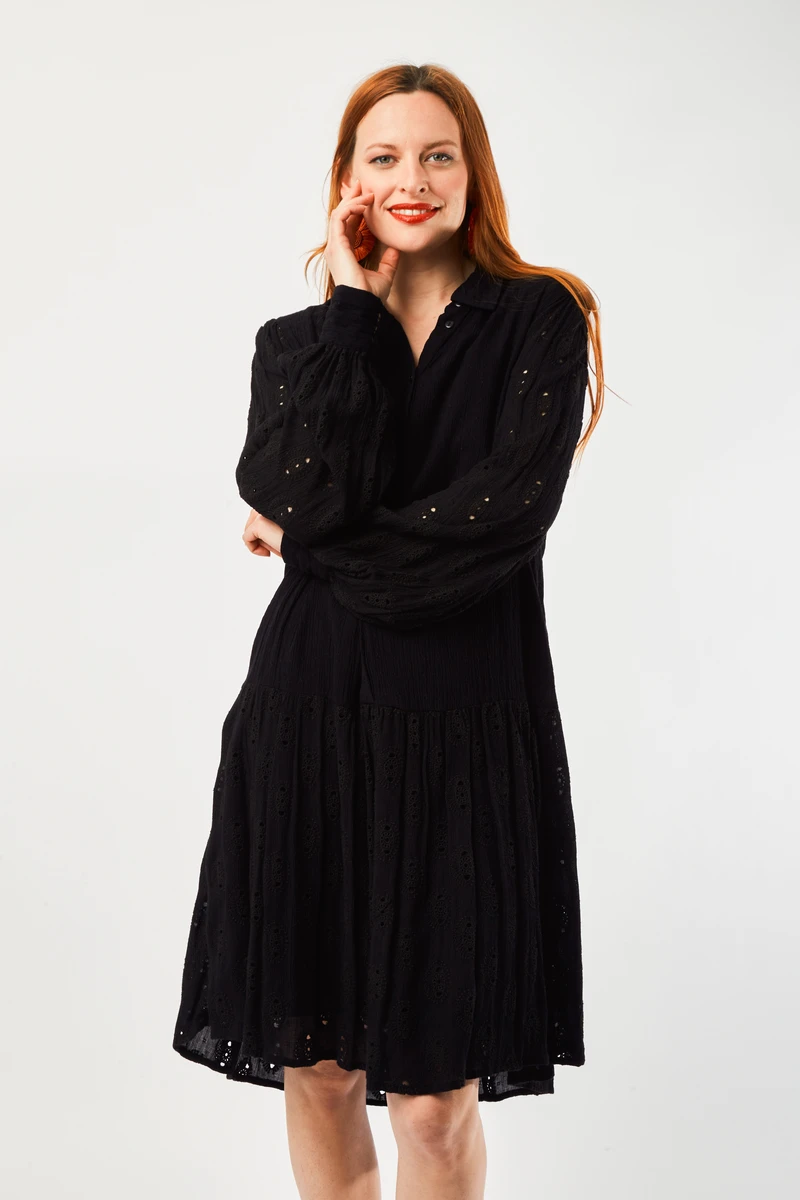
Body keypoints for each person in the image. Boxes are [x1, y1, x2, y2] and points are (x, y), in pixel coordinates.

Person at [173, 62, 606, 1199]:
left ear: (473, 171)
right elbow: (295, 483)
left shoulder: (537, 319)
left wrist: (312, 544)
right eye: (384, 157)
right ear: (347, 181)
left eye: (436, 154)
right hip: (307, 719)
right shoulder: (299, 343)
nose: (411, 178)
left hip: (464, 733)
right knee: (317, 1072)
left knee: (434, 1106)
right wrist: (354, 315)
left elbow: (497, 523)